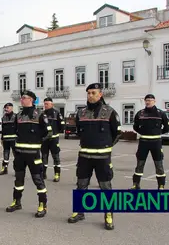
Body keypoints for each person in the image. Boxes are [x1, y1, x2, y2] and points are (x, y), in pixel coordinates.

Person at [67, 83, 121, 230]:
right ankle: (79, 212)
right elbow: (79, 131)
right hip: (84, 157)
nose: (90, 95)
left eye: (93, 93)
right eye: (88, 93)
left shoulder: (109, 112)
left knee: (105, 187)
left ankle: (108, 215)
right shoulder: (81, 113)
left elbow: (117, 133)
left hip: (102, 158)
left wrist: (106, 147)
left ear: (100, 94)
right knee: (81, 185)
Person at [5, 91, 51, 218]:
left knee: (38, 180)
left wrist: (37, 141)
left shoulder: (40, 115)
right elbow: (14, 131)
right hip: (19, 154)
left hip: (33, 154)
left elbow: (48, 133)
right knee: (18, 179)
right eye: (21, 98)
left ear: (31, 100)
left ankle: (42, 204)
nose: (21, 100)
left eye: (24, 98)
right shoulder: (18, 115)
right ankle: (17, 202)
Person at [131, 94, 169, 190]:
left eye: (150, 100)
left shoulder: (160, 114)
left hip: (156, 142)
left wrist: (157, 133)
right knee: (140, 164)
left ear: (154, 101)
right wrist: (143, 133)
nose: (148, 102)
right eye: (147, 100)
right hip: (143, 142)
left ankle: (161, 185)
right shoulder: (140, 113)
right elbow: (135, 126)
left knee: (159, 165)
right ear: (145, 101)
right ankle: (136, 184)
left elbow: (167, 127)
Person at [41, 97, 65, 181]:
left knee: (56, 157)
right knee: (44, 157)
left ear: (52, 104)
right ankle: (43, 174)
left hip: (54, 140)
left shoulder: (57, 113)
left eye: (47, 104)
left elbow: (62, 125)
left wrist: (56, 131)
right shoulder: (42, 114)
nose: (46, 105)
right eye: (45, 104)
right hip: (44, 140)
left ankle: (57, 174)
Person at [0, 103, 17, 175]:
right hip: (6, 140)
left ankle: (17, 170)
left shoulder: (16, 116)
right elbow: (3, 129)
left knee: (16, 155)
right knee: (5, 155)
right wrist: (2, 139)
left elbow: (18, 128)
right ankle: (4, 169)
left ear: (12, 108)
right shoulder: (3, 117)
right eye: (5, 108)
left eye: (8, 108)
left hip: (14, 139)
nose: (6, 109)